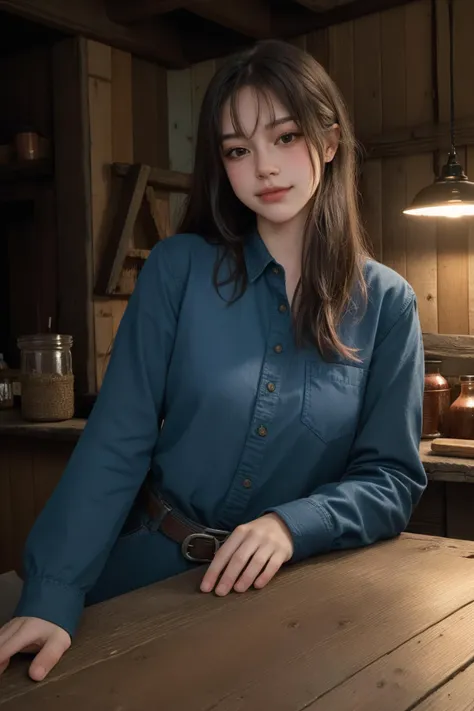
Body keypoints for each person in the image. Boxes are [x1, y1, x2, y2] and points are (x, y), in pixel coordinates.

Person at [0, 38, 426, 682]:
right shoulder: (177, 270)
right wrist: (54, 595)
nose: (265, 168)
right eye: (238, 150)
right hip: (146, 573)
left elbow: (391, 477)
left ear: (330, 140)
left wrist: (292, 525)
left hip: (292, 598)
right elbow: (117, 439)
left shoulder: (387, 303)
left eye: (285, 137)